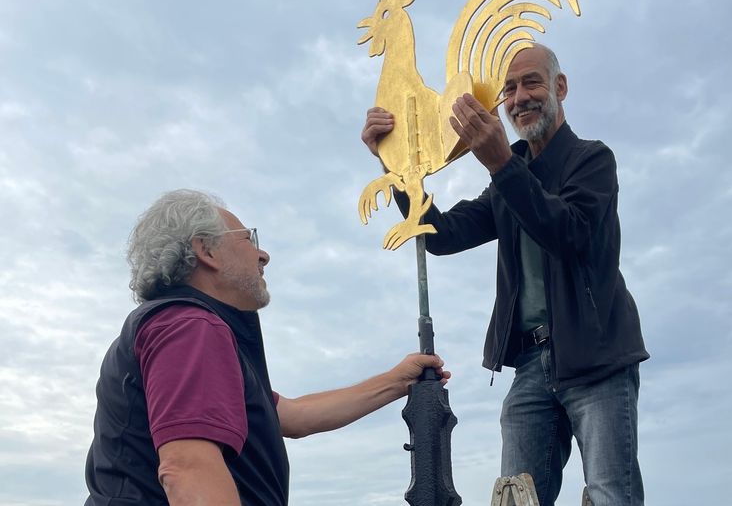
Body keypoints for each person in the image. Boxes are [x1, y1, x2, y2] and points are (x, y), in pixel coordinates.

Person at [361, 44, 648, 506]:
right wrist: (394, 166)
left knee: (612, 494)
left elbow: (570, 233)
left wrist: (502, 164)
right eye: (508, 89)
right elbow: (442, 234)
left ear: (560, 87)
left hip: (598, 358)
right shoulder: (507, 179)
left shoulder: (592, 160)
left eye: (531, 82)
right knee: (515, 496)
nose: (519, 97)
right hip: (532, 364)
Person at [84, 189, 449, 506]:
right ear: (205, 250)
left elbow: (292, 416)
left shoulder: (179, 327)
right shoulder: (191, 327)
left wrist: (398, 381)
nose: (263, 255)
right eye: (248, 239)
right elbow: (187, 468)